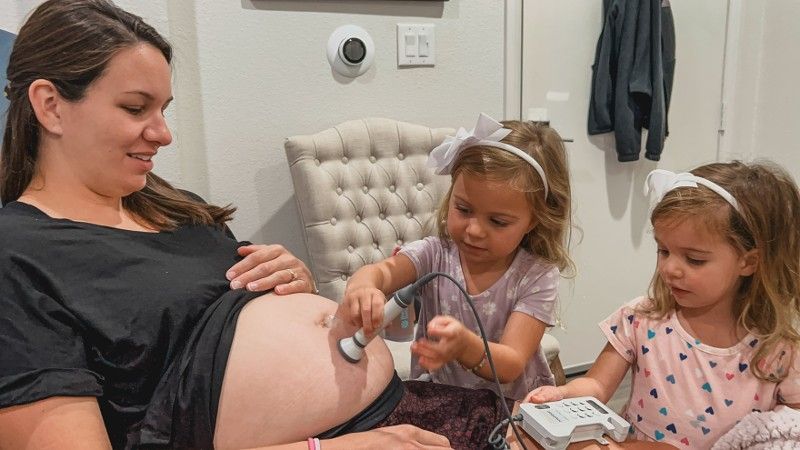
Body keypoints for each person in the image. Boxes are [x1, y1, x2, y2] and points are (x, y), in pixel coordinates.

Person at [0, 1, 510, 449]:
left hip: (391, 411)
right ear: (50, 106)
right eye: (136, 108)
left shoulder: (170, 207)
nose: (163, 134)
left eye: (164, 109)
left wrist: (296, 284)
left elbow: (233, 315)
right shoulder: (17, 255)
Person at [524, 161, 800, 448]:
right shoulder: (641, 319)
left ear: (748, 261)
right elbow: (595, 386)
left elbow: (790, 428)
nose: (670, 268)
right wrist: (563, 394)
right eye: (663, 250)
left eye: (694, 259)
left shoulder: (779, 351)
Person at [343, 113, 574, 400]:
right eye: (464, 209)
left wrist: (466, 347)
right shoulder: (434, 254)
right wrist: (364, 286)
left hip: (508, 409)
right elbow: (378, 273)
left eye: (498, 221)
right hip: (443, 399)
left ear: (534, 220)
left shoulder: (536, 276)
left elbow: (512, 363)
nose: (474, 230)